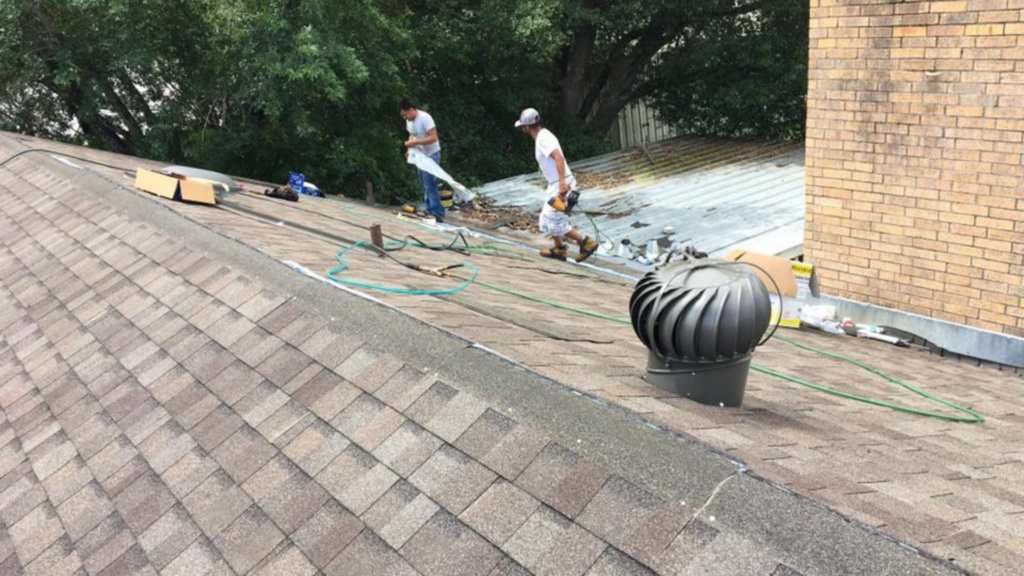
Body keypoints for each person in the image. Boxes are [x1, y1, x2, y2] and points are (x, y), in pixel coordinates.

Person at [515, 108, 598, 262]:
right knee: (546, 220)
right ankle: (559, 248)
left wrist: (561, 184)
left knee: (554, 221)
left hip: (562, 183)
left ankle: (587, 242)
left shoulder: (543, 139)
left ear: (526, 127)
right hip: (556, 183)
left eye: (522, 127)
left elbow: (558, 158)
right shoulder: (543, 136)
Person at [400, 100, 444, 222]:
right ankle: (430, 209)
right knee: (423, 183)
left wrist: (415, 143)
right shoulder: (409, 121)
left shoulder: (425, 118)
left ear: (411, 110)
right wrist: (410, 147)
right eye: (403, 116)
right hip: (420, 156)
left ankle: (437, 212)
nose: (405, 118)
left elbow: (434, 137)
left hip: (431, 155)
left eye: (405, 114)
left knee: (430, 183)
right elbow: (412, 135)